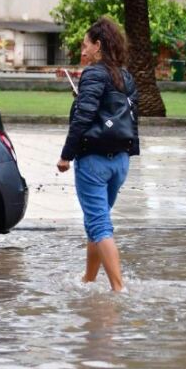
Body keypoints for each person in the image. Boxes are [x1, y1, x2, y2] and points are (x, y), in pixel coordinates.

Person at [56, 17, 139, 292]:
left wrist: (66, 156)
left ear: (98, 45)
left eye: (85, 45)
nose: (83, 51)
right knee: (96, 220)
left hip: (94, 161)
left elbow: (84, 117)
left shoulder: (93, 74)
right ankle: (89, 280)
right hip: (121, 162)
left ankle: (119, 289)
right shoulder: (125, 76)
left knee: (100, 224)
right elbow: (129, 117)